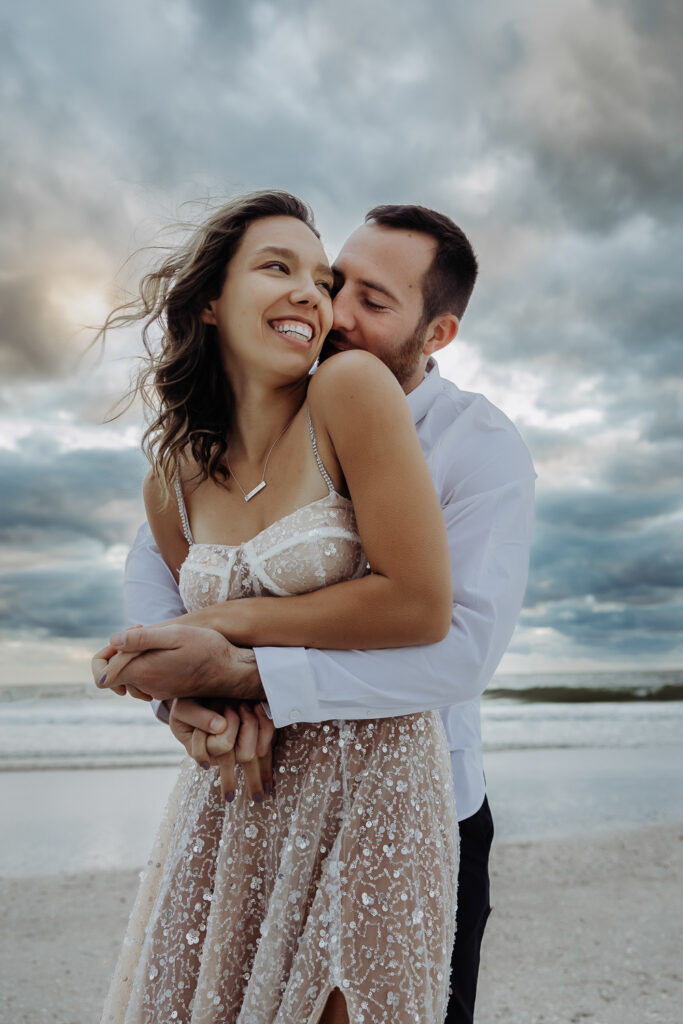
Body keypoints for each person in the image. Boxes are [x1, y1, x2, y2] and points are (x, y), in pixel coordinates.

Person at [97, 202, 536, 1023]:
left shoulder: (479, 445)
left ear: (435, 334)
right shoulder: (220, 443)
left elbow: (457, 650)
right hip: (246, 791)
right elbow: (164, 590)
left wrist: (243, 665)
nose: (331, 310)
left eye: (371, 301)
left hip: (409, 795)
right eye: (335, 281)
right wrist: (186, 706)